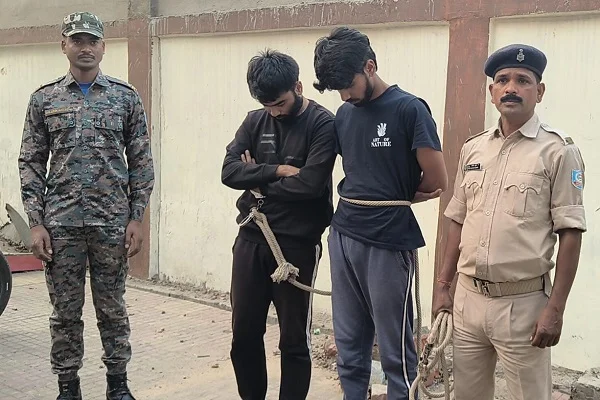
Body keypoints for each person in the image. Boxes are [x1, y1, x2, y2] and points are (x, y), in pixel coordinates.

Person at [434, 44, 586, 400]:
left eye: (522, 80)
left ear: (539, 91)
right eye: (502, 80)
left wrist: (555, 309)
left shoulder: (559, 151)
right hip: (468, 299)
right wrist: (443, 285)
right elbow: (457, 220)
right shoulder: (473, 149)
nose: (510, 88)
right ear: (492, 92)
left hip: (523, 306)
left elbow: (570, 232)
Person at [18, 11, 154, 400]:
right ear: (64, 45)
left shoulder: (125, 97)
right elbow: (30, 162)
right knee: (65, 313)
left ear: (103, 47)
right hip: (61, 226)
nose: (86, 48)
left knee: (112, 309)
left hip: (112, 224)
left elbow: (141, 161)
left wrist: (136, 217)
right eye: (77, 40)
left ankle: (118, 386)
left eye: (93, 41)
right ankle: (68, 387)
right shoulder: (44, 99)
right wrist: (36, 222)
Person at [313, 27, 448, 399]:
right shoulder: (344, 114)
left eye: (348, 85)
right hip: (344, 235)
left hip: (388, 240)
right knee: (348, 343)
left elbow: (438, 180)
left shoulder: (409, 109)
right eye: (337, 90)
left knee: (395, 349)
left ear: (370, 67)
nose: (344, 96)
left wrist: (394, 198)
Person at [221, 50, 336, 399]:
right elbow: (229, 172)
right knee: (244, 335)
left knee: (294, 341)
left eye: (280, 104)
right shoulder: (254, 121)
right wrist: (278, 170)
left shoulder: (322, 124)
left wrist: (256, 180)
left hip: (297, 246)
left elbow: (310, 185)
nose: (274, 112)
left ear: (298, 87)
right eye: (267, 105)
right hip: (251, 239)